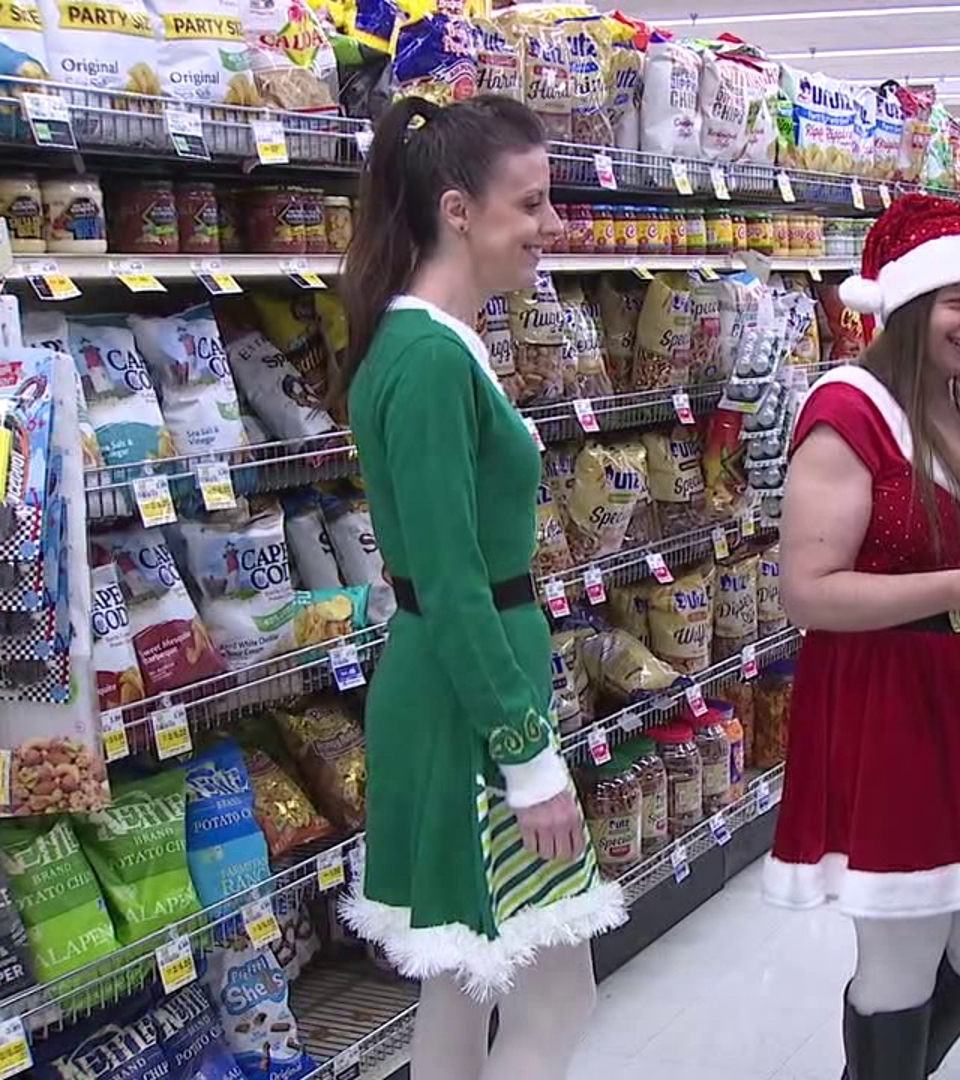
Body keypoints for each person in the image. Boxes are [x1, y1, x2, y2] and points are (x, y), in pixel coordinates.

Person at [330, 95, 626, 1080]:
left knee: (457, 982)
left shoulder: (430, 344)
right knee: (558, 990)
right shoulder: (424, 359)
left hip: (452, 687)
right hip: (471, 708)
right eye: (532, 204)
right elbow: (454, 584)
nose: (554, 227)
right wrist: (527, 757)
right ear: (458, 210)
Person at [762, 194, 960, 1079]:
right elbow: (808, 594)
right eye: (957, 302)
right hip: (885, 703)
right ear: (905, 303)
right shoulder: (849, 411)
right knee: (901, 951)